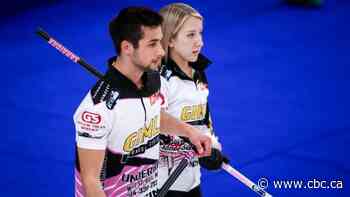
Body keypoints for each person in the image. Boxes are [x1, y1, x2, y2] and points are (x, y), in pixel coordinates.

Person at [73, 6, 212, 197]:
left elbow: (152, 116)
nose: (162, 52)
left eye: (160, 42)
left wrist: (189, 132)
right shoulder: (97, 109)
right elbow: (91, 183)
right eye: (153, 44)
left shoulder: (153, 80)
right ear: (127, 47)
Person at [158, 3, 228, 197]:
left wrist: (212, 148)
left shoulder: (198, 73)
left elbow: (203, 121)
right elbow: (152, 123)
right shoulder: (160, 80)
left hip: (191, 179)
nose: (200, 42)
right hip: (162, 184)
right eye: (190, 35)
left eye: (200, 33)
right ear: (170, 39)